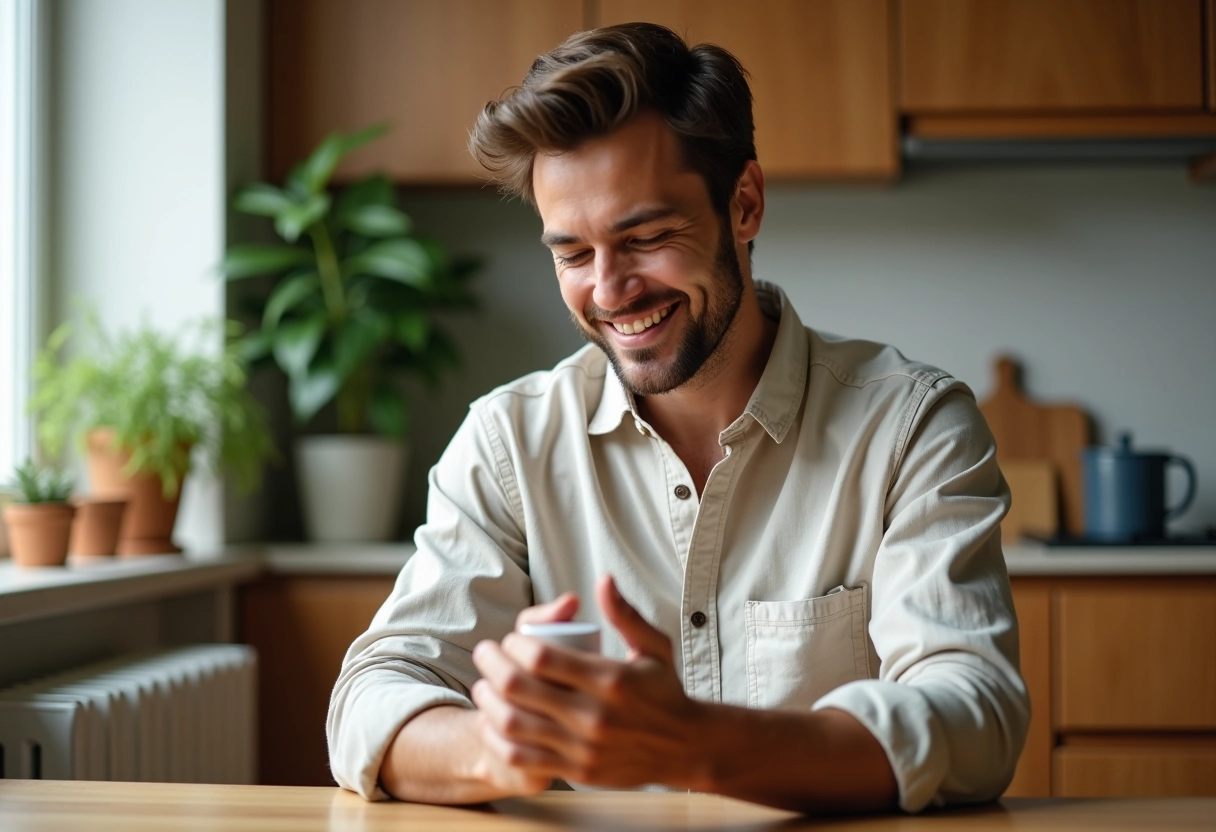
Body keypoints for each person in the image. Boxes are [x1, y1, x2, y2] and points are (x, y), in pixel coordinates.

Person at [327, 22, 1028, 814]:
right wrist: (509, 746)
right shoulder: (507, 445)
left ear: (745, 204)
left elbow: (977, 716)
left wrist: (695, 742)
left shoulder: (911, 427)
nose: (610, 289)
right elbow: (373, 700)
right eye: (572, 254)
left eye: (648, 237)